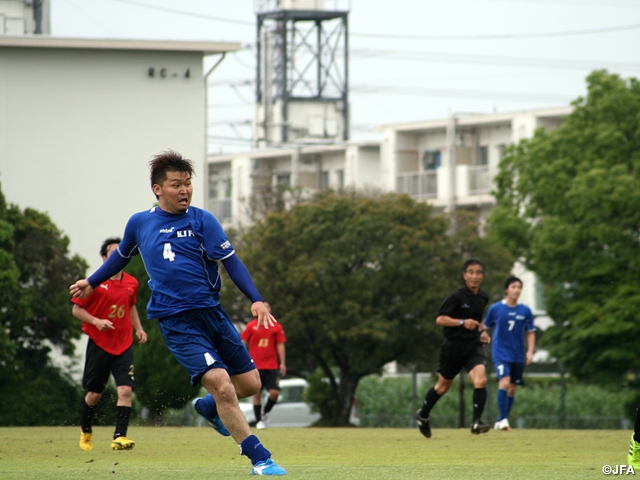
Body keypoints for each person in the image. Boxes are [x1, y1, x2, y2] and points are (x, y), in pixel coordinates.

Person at [69, 150, 286, 476]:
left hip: (213, 314)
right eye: (176, 185)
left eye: (187, 184)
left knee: (251, 384)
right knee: (222, 383)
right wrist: (92, 280)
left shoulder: (203, 221)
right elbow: (122, 257)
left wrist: (256, 299)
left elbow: (232, 263)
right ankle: (260, 458)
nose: (184, 190)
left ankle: (209, 408)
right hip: (176, 320)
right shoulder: (140, 222)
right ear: (158, 189)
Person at [73, 237, 147, 452]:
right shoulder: (93, 284)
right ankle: (86, 429)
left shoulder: (132, 283)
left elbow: (131, 307)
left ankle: (119, 436)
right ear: (105, 258)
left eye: (121, 252)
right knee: (94, 395)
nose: (118, 256)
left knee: (125, 390)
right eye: (113, 253)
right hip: (99, 344)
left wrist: (139, 328)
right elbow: (76, 309)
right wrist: (96, 321)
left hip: (124, 345)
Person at [416, 258, 491, 438]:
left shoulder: (483, 297)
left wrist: (483, 331)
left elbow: (478, 319)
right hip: (453, 347)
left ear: (482, 276)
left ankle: (475, 422)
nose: (474, 276)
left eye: (478, 273)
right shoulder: (456, 296)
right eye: (471, 272)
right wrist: (461, 322)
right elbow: (440, 319)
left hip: (473, 346)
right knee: (442, 387)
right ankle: (423, 415)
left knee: (481, 380)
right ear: (464, 275)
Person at [482, 276, 535, 431]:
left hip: (518, 354)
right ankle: (503, 419)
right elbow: (485, 327)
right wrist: (483, 341)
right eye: (513, 286)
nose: (516, 290)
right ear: (506, 289)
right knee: (504, 382)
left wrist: (530, 351)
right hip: (500, 353)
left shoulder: (525, 310)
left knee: (512, 388)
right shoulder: (496, 308)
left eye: (519, 287)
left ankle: (500, 420)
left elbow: (531, 332)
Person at [240, 302, 287, 429]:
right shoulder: (250, 326)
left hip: (271, 366)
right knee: (257, 393)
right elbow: (243, 343)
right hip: (255, 366)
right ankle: (259, 421)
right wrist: (240, 359)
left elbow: (280, 345)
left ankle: (265, 413)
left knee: (275, 392)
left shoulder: (276, 327)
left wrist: (282, 363)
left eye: (268, 307)